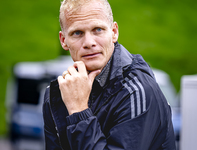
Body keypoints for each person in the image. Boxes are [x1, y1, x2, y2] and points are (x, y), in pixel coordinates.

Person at [43, 0, 176, 149]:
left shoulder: (137, 91)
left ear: (114, 32)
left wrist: (79, 111)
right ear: (64, 40)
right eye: (77, 33)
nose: (89, 42)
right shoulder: (57, 93)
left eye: (98, 29)